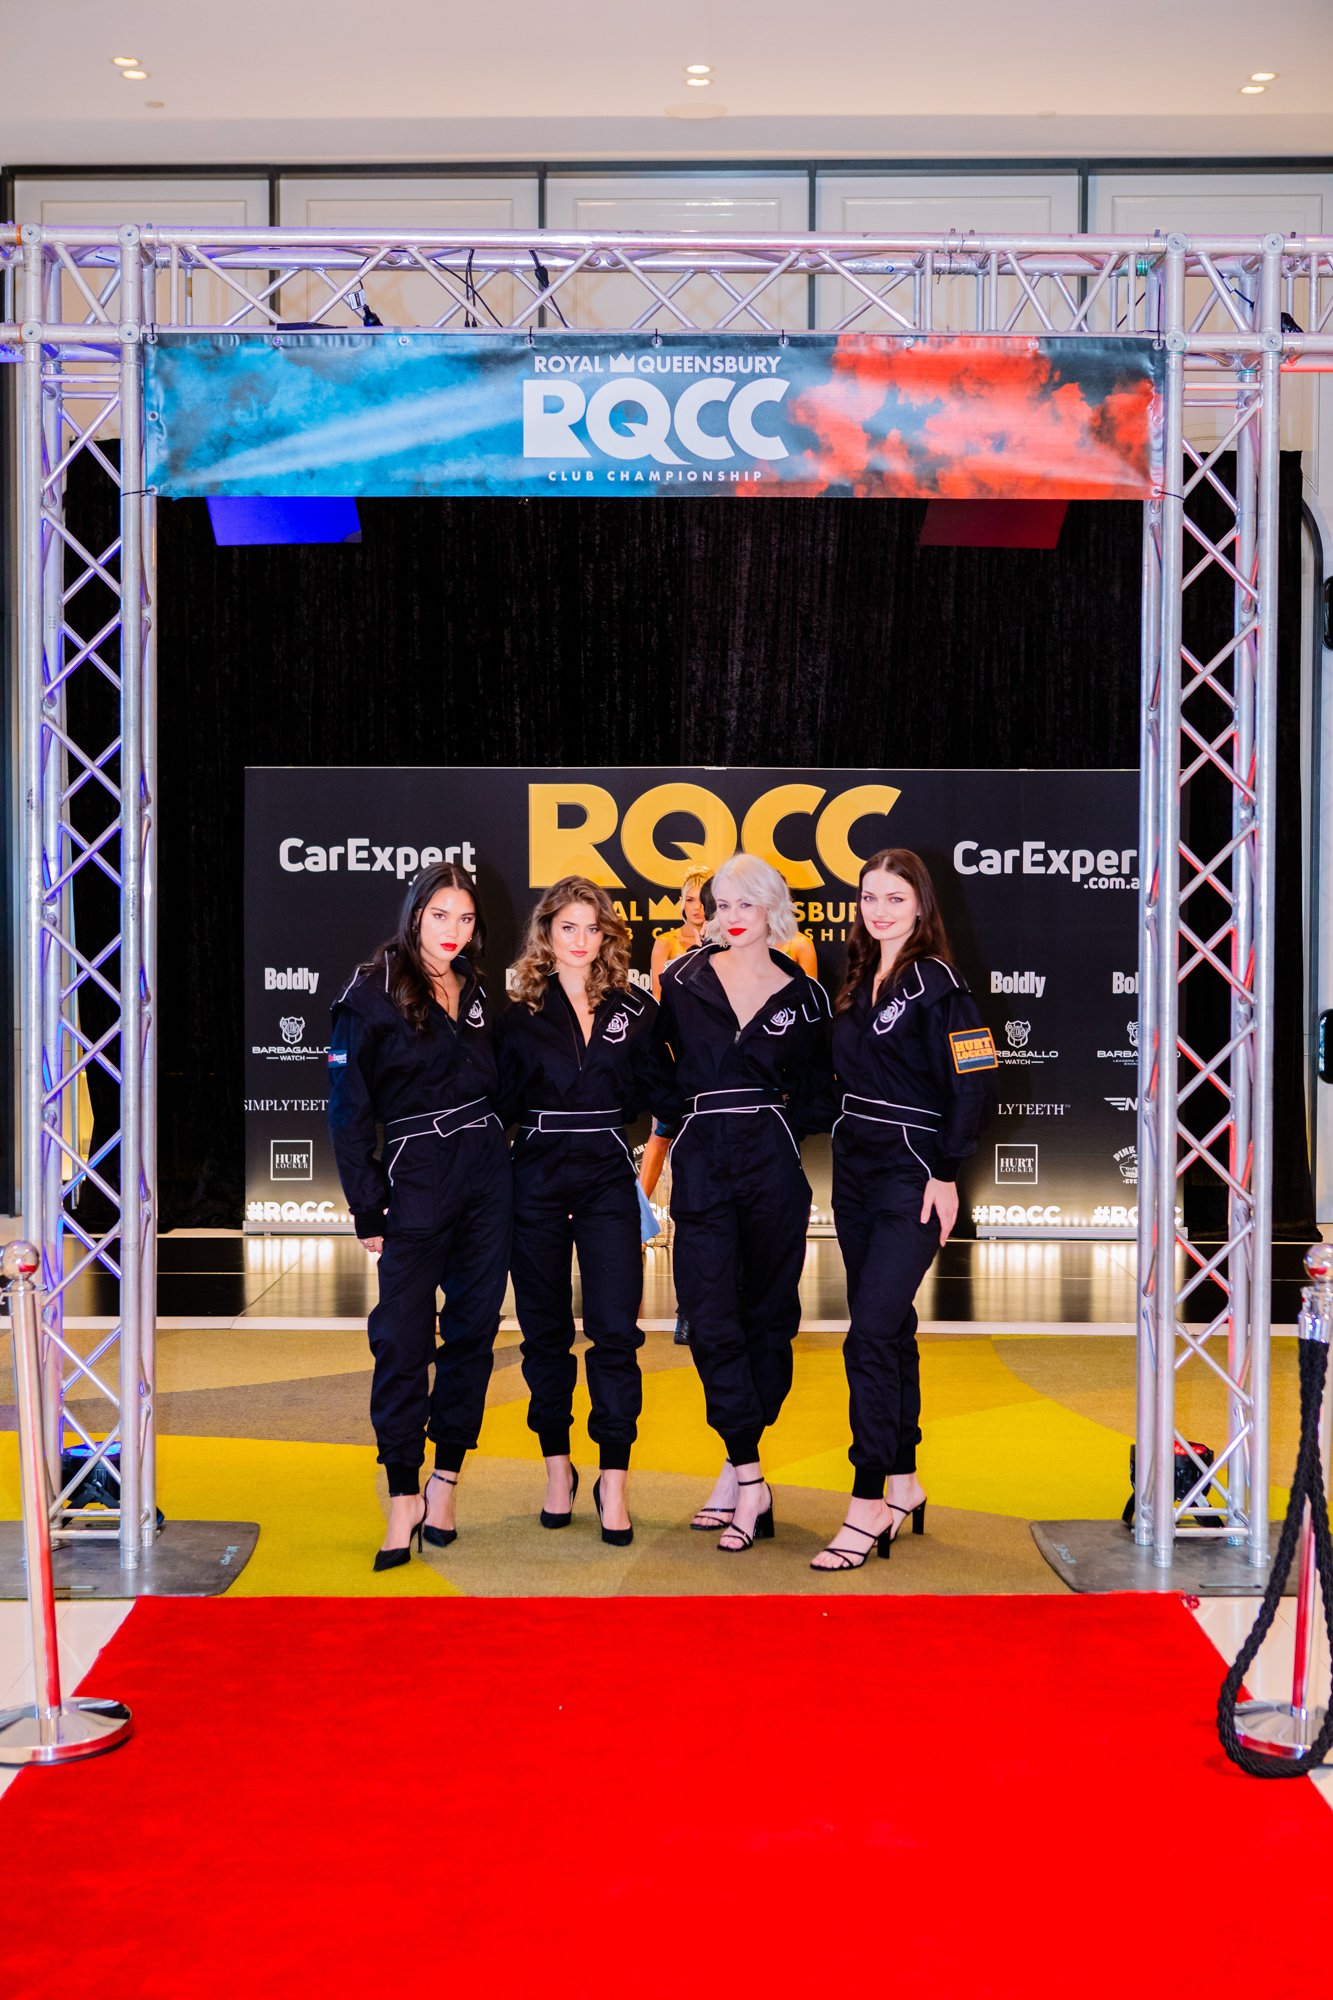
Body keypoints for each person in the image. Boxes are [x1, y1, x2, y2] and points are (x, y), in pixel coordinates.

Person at [811, 848, 996, 1572]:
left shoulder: (939, 985)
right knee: (889, 1332)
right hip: (853, 1169)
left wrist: (946, 1174)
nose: (879, 909)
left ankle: (865, 1504)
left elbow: (975, 1083)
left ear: (921, 906)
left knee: (869, 1332)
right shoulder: (858, 978)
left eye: (895, 897)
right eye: (869, 896)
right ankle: (906, 1481)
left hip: (912, 1172)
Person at [327, 862, 510, 1571]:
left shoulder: (480, 992)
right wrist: (365, 1204)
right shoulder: (369, 993)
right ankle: (401, 1490)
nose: (453, 932)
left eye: (465, 920)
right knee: (402, 1340)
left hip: (488, 1177)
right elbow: (347, 1111)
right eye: (441, 916)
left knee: (472, 1334)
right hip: (413, 1181)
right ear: (414, 916)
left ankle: (445, 1481)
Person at [653, 853, 833, 1554]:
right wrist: (689, 1115)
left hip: (772, 1172)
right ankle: (753, 1476)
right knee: (708, 1314)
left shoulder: (805, 995)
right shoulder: (681, 981)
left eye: (742, 905)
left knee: (769, 1319)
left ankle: (735, 1465)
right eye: (719, 903)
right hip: (701, 1169)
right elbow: (650, 1068)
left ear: (770, 910)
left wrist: (783, 1123)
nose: (727, 917)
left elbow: (820, 1088)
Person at [498, 876, 662, 1545]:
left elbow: (661, 1096)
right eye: (568, 927)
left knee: (616, 1333)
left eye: (593, 929)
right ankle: (558, 1468)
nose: (580, 941)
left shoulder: (636, 1009)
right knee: (544, 1335)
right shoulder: (515, 1013)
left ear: (608, 937)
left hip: (604, 1176)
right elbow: (495, 1103)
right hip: (533, 1176)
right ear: (545, 933)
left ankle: (614, 1479)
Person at [640, 869, 710, 1343]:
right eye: (690, 898)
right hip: (680, 1075)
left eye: (705, 898)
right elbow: (656, 1017)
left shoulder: (741, 944)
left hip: (725, 1085)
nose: (697, 906)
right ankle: (636, 1222)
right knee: (662, 1141)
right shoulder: (666, 944)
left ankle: (710, 1305)